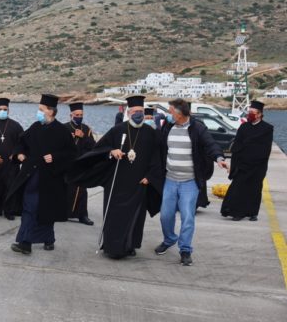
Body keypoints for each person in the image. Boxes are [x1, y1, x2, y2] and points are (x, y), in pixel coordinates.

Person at [82, 95, 164, 259]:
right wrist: (111, 151)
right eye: (135, 111)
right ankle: (112, 247)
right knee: (115, 216)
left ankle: (130, 246)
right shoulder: (117, 130)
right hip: (117, 182)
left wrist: (150, 176)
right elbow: (98, 149)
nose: (138, 114)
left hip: (139, 183)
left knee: (135, 217)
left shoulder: (151, 133)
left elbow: (158, 157)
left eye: (141, 111)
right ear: (128, 112)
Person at [155, 98, 228, 266]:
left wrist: (219, 158)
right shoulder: (168, 126)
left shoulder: (197, 128)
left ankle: (185, 249)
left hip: (189, 182)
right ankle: (169, 239)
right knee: (165, 216)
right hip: (170, 180)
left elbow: (211, 144)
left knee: (187, 217)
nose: (168, 114)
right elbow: (159, 146)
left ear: (179, 114)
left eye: (170, 111)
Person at [7, 94, 76, 255]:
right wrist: (19, 154)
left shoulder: (62, 131)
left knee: (46, 211)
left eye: (41, 109)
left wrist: (55, 157)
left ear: (50, 111)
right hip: (32, 175)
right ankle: (25, 243)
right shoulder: (35, 127)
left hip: (51, 179)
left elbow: (72, 154)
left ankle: (48, 239)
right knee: (29, 208)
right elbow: (21, 143)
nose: (38, 112)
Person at [221, 100, 273, 221]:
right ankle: (236, 212)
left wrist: (249, 149)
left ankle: (252, 213)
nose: (249, 114)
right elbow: (237, 145)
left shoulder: (267, 128)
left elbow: (265, 148)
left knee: (254, 189)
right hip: (242, 164)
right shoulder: (244, 127)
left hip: (257, 165)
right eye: (249, 112)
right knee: (238, 188)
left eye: (252, 113)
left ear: (259, 114)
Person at [65, 102, 96, 226]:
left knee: (81, 190)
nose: (79, 117)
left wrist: (83, 137)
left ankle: (82, 215)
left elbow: (93, 147)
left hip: (81, 164)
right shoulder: (64, 128)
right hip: (67, 164)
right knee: (66, 189)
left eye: (81, 115)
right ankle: (63, 212)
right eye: (76, 115)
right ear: (71, 115)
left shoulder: (86, 129)